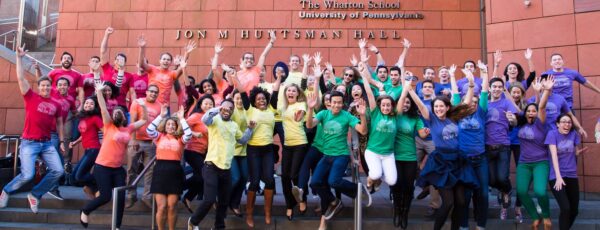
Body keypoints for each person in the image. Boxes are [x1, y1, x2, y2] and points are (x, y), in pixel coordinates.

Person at [0, 45, 65, 213]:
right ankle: (6, 191)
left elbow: (59, 123)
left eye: (48, 86)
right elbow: (21, 78)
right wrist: (19, 58)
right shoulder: (31, 97)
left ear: (51, 87)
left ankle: (35, 195)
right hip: (29, 143)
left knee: (58, 171)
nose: (45, 88)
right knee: (27, 175)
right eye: (42, 86)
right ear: (39, 87)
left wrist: (62, 140)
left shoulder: (55, 104)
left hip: (47, 143)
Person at [414, 65, 479, 230]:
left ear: (447, 107)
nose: (438, 109)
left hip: (458, 161)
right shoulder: (432, 119)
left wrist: (471, 85)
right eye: (436, 107)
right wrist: (409, 89)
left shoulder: (455, 117)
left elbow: (466, 101)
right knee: (448, 202)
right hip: (441, 162)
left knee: (461, 202)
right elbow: (421, 106)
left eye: (441, 106)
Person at [80, 80, 148, 229]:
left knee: (121, 197)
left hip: (117, 169)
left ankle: (116, 226)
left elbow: (144, 120)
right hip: (102, 167)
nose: (117, 113)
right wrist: (98, 91)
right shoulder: (109, 125)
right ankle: (85, 210)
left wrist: (143, 106)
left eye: (120, 112)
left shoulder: (129, 128)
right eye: (115, 112)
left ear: (124, 117)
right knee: (105, 196)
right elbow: (103, 108)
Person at [306, 89, 371, 230]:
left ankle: (358, 189)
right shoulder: (324, 114)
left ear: (343, 104)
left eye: (339, 103)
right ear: (329, 103)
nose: (336, 105)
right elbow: (309, 125)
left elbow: (363, 131)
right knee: (315, 183)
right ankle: (334, 201)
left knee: (333, 181)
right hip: (326, 155)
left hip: (341, 155)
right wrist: (310, 109)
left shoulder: (347, 116)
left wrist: (363, 115)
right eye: (334, 102)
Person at [187, 99, 255, 230]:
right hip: (211, 166)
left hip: (226, 169)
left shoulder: (234, 125)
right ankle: (193, 221)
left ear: (232, 111)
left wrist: (250, 129)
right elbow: (205, 119)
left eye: (230, 108)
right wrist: (217, 109)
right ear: (220, 108)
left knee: (223, 202)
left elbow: (242, 139)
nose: (227, 110)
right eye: (224, 107)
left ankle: (219, 227)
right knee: (209, 199)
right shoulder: (214, 121)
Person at [227, 65, 281, 227]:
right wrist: (235, 78)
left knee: (270, 180)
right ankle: (249, 214)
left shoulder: (271, 108)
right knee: (255, 181)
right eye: (258, 99)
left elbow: (276, 92)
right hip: (254, 150)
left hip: (267, 149)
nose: (262, 101)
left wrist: (278, 77)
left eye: (263, 98)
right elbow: (243, 91)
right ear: (254, 102)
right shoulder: (249, 110)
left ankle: (267, 213)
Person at [454, 61, 491, 230]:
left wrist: (484, 72)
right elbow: (456, 95)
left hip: (480, 159)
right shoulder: (459, 116)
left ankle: (481, 225)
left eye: (475, 102)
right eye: (470, 101)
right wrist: (456, 78)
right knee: (466, 195)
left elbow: (484, 92)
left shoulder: (481, 114)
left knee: (483, 193)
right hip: (464, 160)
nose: (473, 104)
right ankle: (463, 226)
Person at [515, 77, 553, 230]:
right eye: (528, 111)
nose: (531, 112)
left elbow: (542, 106)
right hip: (524, 163)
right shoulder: (522, 125)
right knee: (522, 192)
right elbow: (513, 104)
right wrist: (505, 90)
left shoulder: (540, 124)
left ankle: (546, 214)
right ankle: (535, 216)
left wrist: (545, 91)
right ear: (525, 113)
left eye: (533, 111)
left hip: (540, 163)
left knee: (540, 191)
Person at [390, 80, 428, 228]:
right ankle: (397, 210)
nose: (405, 104)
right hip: (394, 156)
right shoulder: (395, 115)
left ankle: (405, 212)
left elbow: (421, 135)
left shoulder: (415, 118)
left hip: (410, 157)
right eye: (403, 102)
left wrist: (425, 133)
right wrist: (405, 89)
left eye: (408, 103)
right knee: (396, 185)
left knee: (408, 186)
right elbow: (399, 106)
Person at [146, 104, 192, 230]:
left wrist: (182, 119)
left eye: (173, 125)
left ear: (176, 127)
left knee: (172, 206)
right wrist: (160, 116)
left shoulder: (180, 139)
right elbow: (149, 130)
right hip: (160, 171)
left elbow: (189, 134)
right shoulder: (159, 137)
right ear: (165, 127)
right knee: (162, 206)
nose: (171, 126)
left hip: (175, 172)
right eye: (168, 124)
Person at [359, 62, 399, 192]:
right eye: (383, 105)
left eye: (388, 105)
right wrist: (364, 77)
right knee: (375, 174)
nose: (386, 107)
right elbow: (370, 93)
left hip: (388, 154)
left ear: (392, 106)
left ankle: (376, 180)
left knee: (392, 181)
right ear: (380, 105)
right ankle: (370, 180)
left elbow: (403, 96)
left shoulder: (394, 115)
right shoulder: (375, 112)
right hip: (373, 152)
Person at [546, 114, 588, 230]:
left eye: (569, 122)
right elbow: (553, 156)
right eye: (564, 122)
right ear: (557, 124)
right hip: (556, 176)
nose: (567, 124)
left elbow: (573, 152)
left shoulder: (573, 134)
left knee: (574, 210)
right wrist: (558, 177)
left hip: (572, 175)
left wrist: (578, 153)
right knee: (565, 208)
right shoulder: (552, 134)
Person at [125, 84, 162, 208]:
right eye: (151, 91)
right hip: (136, 140)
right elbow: (133, 121)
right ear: (146, 92)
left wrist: (156, 140)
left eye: (156, 92)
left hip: (150, 142)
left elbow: (160, 125)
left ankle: (147, 196)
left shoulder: (159, 106)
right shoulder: (137, 102)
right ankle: (131, 195)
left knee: (150, 171)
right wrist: (133, 139)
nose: (153, 94)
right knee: (131, 169)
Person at [138, 33, 196, 108]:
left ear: (171, 63)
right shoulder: (152, 69)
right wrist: (142, 48)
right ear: (160, 61)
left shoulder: (172, 74)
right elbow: (141, 64)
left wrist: (187, 54)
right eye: (164, 59)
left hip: (164, 107)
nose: (166, 61)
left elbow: (182, 66)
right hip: (150, 104)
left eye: (168, 60)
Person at [280, 81, 309, 220]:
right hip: (287, 144)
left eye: (293, 91)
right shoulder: (284, 107)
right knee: (284, 176)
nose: (290, 92)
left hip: (300, 143)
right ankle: (289, 205)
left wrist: (300, 114)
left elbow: (299, 117)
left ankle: (302, 198)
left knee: (294, 175)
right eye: (288, 91)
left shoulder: (301, 105)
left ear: (298, 94)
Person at [181, 94, 214, 212]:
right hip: (192, 150)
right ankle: (180, 186)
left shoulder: (213, 119)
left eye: (211, 104)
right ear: (200, 105)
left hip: (205, 152)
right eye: (206, 103)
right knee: (204, 175)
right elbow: (182, 126)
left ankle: (188, 197)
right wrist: (194, 134)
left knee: (201, 177)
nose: (208, 106)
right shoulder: (196, 116)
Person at [69, 96, 103, 199]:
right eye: (86, 103)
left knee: (79, 176)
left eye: (91, 104)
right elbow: (84, 134)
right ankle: (93, 186)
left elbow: (106, 131)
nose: (88, 105)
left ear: (95, 107)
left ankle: (102, 183)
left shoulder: (96, 119)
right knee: (73, 178)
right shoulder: (83, 118)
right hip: (87, 150)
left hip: (94, 149)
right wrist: (75, 142)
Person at [100, 27, 136, 109]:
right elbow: (103, 51)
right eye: (118, 59)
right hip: (105, 103)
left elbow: (132, 93)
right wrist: (106, 35)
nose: (120, 61)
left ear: (125, 63)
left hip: (120, 105)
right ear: (114, 61)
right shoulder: (107, 68)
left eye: (122, 60)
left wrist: (134, 107)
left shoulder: (129, 76)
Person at [228, 89, 249, 217]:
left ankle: (235, 203)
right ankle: (224, 199)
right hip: (232, 150)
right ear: (233, 99)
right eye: (237, 98)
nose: (239, 100)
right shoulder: (232, 111)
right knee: (235, 178)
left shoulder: (248, 110)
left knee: (244, 178)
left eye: (241, 98)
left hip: (245, 150)